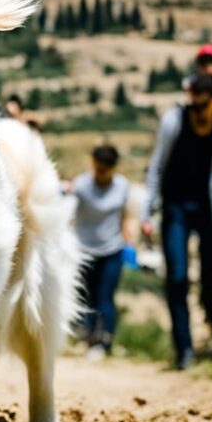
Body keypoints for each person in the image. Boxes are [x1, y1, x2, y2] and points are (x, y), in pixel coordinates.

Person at [142, 73, 212, 369]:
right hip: (175, 207)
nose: (197, 108)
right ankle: (184, 350)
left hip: (211, 211)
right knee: (177, 277)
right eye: (193, 101)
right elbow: (157, 166)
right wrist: (147, 212)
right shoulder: (174, 120)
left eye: (203, 102)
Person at [68, 145, 130, 359]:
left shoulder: (122, 186)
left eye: (106, 169)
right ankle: (87, 337)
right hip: (84, 250)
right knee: (86, 297)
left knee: (106, 298)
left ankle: (105, 342)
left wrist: (129, 244)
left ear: (113, 168)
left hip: (112, 250)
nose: (101, 174)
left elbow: (123, 215)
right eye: (98, 168)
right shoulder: (81, 185)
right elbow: (68, 211)